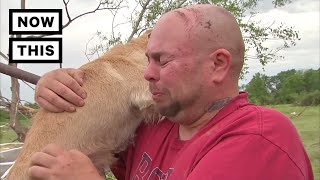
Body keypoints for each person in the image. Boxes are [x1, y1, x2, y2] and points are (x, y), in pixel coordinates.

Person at [28, 4, 314, 180]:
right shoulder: (158, 126)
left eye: (162, 60)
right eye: (147, 58)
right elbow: (88, 131)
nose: (147, 73)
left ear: (218, 64)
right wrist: (52, 86)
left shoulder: (259, 138)